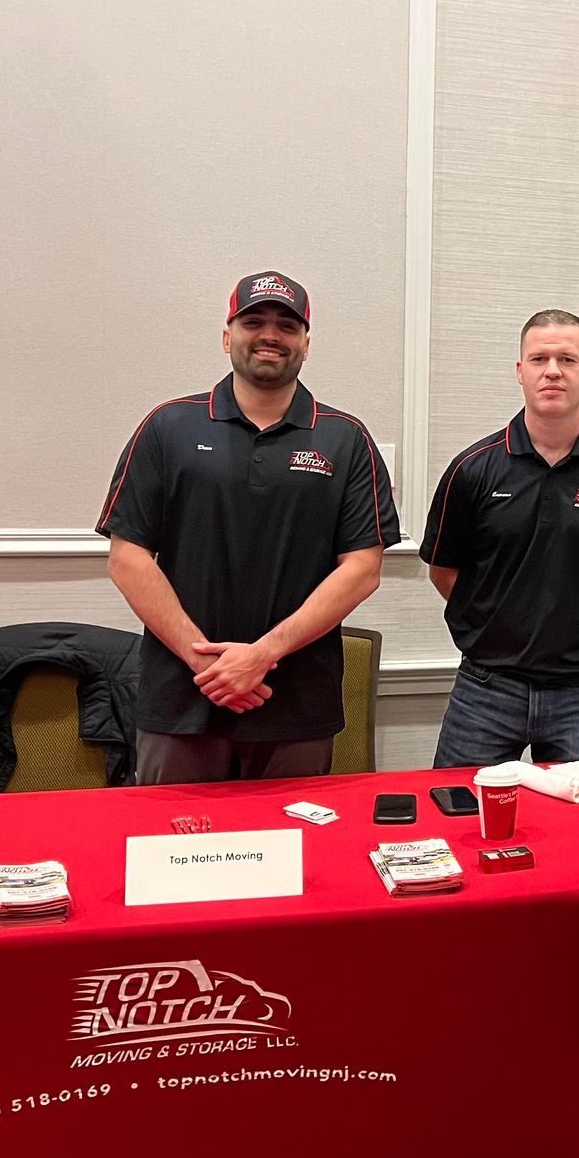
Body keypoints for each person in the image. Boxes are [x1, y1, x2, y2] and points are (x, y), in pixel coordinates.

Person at [97, 272, 399, 783]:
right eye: (253, 321)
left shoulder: (346, 440)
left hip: (296, 704)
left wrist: (262, 656)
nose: (270, 334)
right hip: (181, 702)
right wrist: (209, 666)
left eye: (287, 324)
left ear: (306, 343)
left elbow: (363, 569)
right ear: (226, 336)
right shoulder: (168, 426)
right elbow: (127, 558)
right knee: (176, 853)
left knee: (295, 853)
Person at [422, 310, 579, 766]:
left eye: (567, 359)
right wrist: (493, 622)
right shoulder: (472, 469)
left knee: (576, 831)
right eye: (539, 358)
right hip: (485, 691)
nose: (552, 370)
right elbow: (444, 570)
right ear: (520, 371)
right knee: (457, 814)